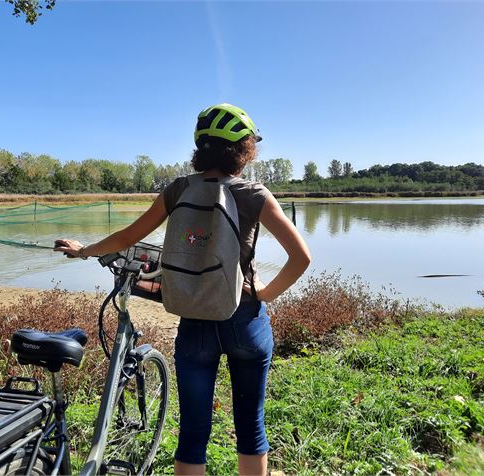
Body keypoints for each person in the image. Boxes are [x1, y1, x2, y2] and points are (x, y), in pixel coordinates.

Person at [54, 103, 311, 476]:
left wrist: (84, 251)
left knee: (192, 433)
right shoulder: (253, 193)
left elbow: (129, 236)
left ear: (201, 147)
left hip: (194, 319)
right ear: (242, 150)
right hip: (244, 320)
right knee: (251, 426)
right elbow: (301, 257)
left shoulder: (177, 190)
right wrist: (265, 293)